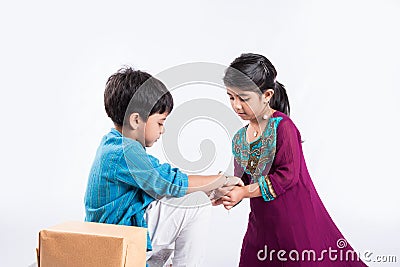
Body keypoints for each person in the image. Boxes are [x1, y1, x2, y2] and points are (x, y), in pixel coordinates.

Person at [213, 53, 367, 266]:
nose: (236, 106)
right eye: (231, 97)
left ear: (266, 95)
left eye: (243, 98)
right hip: (262, 226)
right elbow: (245, 181)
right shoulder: (240, 137)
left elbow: (287, 176)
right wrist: (228, 191)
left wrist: (243, 191)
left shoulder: (283, 127)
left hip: (293, 223)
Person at [84, 67, 242, 267]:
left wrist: (212, 190)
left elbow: (156, 191)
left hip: (118, 232)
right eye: (160, 122)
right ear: (135, 120)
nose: (163, 129)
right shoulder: (124, 152)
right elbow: (168, 182)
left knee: (188, 200)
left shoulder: (114, 145)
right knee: (196, 203)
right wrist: (220, 180)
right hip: (118, 239)